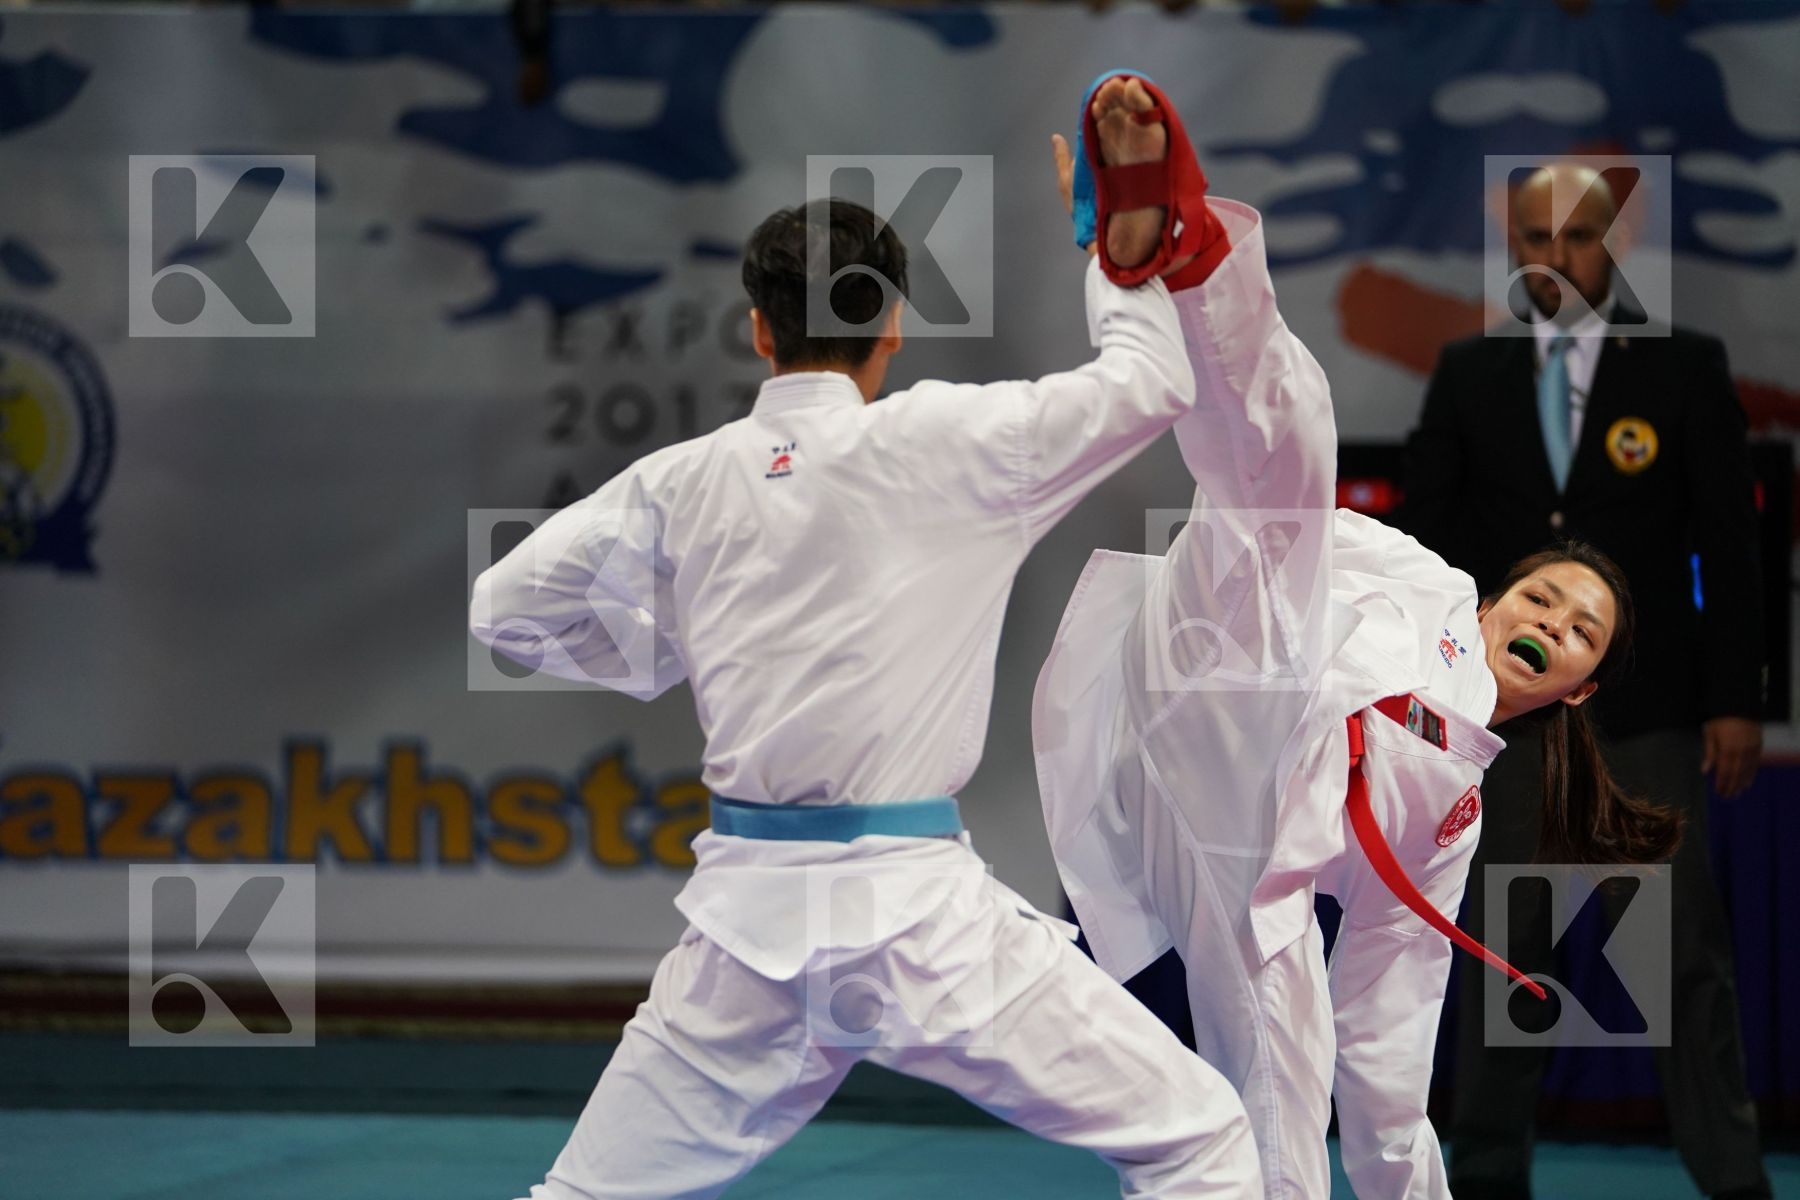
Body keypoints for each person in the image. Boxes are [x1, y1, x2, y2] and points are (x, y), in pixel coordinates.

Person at [470, 77, 1265, 1200]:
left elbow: (499, 608)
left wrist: (660, 650)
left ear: (757, 330)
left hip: (746, 924)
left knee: (583, 1198)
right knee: (1197, 1140)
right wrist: (1107, 244)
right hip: (916, 921)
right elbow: (1154, 381)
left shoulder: (681, 481)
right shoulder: (947, 440)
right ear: (893, 323)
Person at [1032, 108, 1682, 1199]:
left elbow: (1391, 1030)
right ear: (1495, 599)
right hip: (1223, 670)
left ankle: (1149, 265)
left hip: (1237, 858)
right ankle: (1169, 249)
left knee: (1292, 1090)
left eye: (1579, 634)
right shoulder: (1425, 579)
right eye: (1543, 596)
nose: (1552, 624)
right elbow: (1269, 503)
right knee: (1285, 463)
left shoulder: (1453, 813)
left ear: (1582, 691)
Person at [1401, 163, 1771, 1200]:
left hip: (1647, 718)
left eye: (1574, 236)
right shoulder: (1470, 372)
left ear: (1611, 243)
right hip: (1512, 722)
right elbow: (1428, 547)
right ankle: (1485, 1180)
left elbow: (1729, 545)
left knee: (1682, 957)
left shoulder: (1685, 369)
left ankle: (1737, 1181)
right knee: (1509, 956)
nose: (1553, 256)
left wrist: (1736, 696)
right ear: (1513, 243)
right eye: (1533, 235)